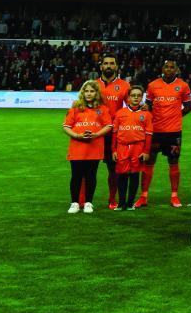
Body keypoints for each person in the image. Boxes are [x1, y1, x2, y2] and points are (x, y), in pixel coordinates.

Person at [143, 58, 191, 207]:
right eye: (166, 67)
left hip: (174, 132)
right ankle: (143, 196)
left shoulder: (183, 86)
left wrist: (175, 116)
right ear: (162, 69)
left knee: (173, 162)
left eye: (172, 67)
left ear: (176, 70)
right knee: (149, 161)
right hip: (155, 131)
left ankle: (174, 196)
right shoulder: (153, 85)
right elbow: (148, 106)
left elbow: (188, 107)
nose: (169, 69)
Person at [63, 80, 111, 213]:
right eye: (86, 91)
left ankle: (89, 203)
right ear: (82, 93)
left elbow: (108, 125)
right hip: (77, 148)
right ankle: (74, 203)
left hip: (94, 147)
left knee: (91, 175)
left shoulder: (102, 108)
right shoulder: (75, 108)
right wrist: (77, 136)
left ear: (96, 93)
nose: (89, 94)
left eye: (92, 91)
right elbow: (66, 126)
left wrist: (96, 135)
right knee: (76, 176)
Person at [94, 53, 130, 210]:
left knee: (113, 169)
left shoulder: (124, 85)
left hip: (114, 133)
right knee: (89, 168)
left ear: (116, 66)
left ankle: (112, 198)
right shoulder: (93, 84)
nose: (108, 66)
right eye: (106, 63)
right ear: (101, 66)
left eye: (111, 63)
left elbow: (130, 106)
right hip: (95, 132)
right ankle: (84, 200)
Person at [113, 85, 153, 210]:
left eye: (139, 95)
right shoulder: (120, 113)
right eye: (133, 95)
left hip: (138, 147)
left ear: (142, 98)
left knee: (135, 174)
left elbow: (149, 134)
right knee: (122, 174)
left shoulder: (146, 114)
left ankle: (130, 203)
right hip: (122, 146)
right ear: (128, 98)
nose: (136, 98)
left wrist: (146, 151)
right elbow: (114, 133)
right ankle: (121, 203)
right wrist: (113, 150)